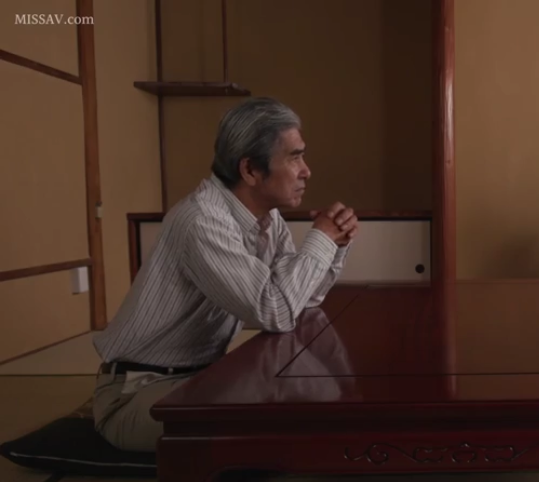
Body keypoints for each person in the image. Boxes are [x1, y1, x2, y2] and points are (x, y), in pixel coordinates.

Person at [91, 97, 359, 452]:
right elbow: (276, 311)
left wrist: (336, 244)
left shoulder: (268, 218)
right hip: (139, 393)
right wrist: (320, 239)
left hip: (199, 378)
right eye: (294, 158)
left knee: (305, 392)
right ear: (250, 170)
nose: (306, 170)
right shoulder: (202, 221)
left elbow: (302, 300)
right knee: (283, 411)